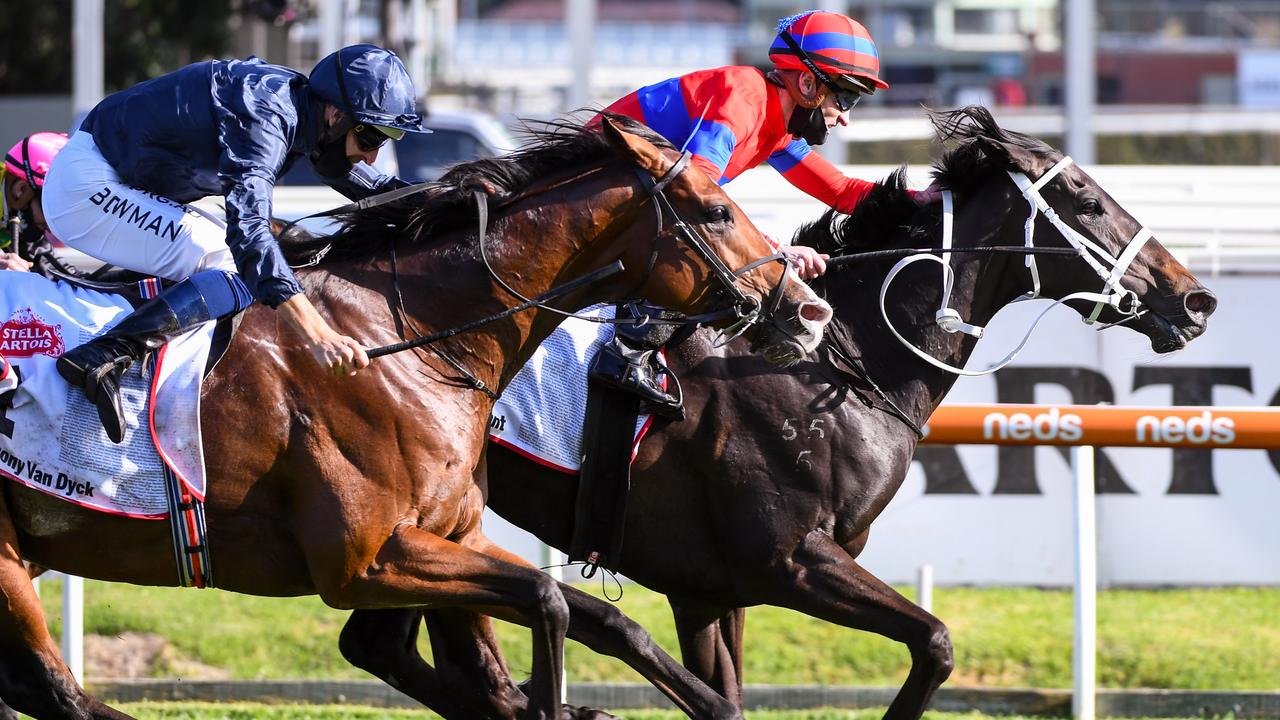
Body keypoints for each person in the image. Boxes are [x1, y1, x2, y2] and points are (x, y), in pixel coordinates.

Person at [39, 44, 429, 443]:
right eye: (374, 136)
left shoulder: (304, 111)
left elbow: (367, 186)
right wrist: (318, 334)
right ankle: (100, 358)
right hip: (86, 188)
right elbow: (248, 227)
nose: (372, 156)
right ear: (336, 115)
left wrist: (453, 198)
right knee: (228, 261)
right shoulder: (266, 114)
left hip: (115, 180)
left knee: (236, 265)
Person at [589, 10, 941, 408]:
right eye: (845, 97)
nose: (845, 117)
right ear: (808, 83)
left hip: (630, 201)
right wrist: (775, 253)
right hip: (596, 196)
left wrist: (924, 200)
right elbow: (695, 198)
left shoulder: (778, 128)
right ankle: (625, 355)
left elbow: (842, 192)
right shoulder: (742, 97)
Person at [1, 131, 70, 273]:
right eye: (55, 208)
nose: (54, 228)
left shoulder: (20, 213)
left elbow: (71, 279)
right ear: (22, 190)